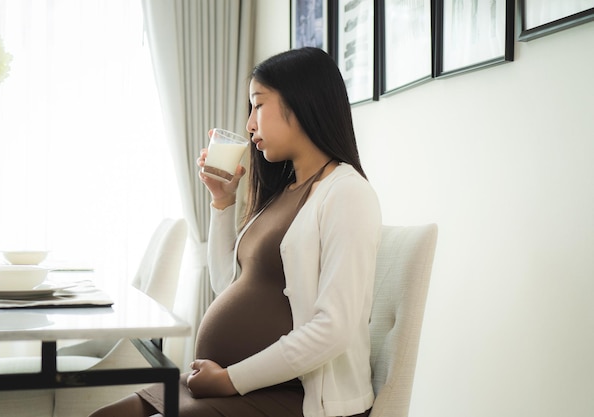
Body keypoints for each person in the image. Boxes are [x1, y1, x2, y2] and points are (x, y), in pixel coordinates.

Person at [89, 47, 381, 417]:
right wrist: (222, 202)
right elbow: (228, 283)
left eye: (258, 105)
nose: (249, 125)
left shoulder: (347, 193)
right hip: (237, 383)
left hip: (298, 395)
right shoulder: (283, 191)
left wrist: (229, 380)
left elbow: (334, 328)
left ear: (304, 102)